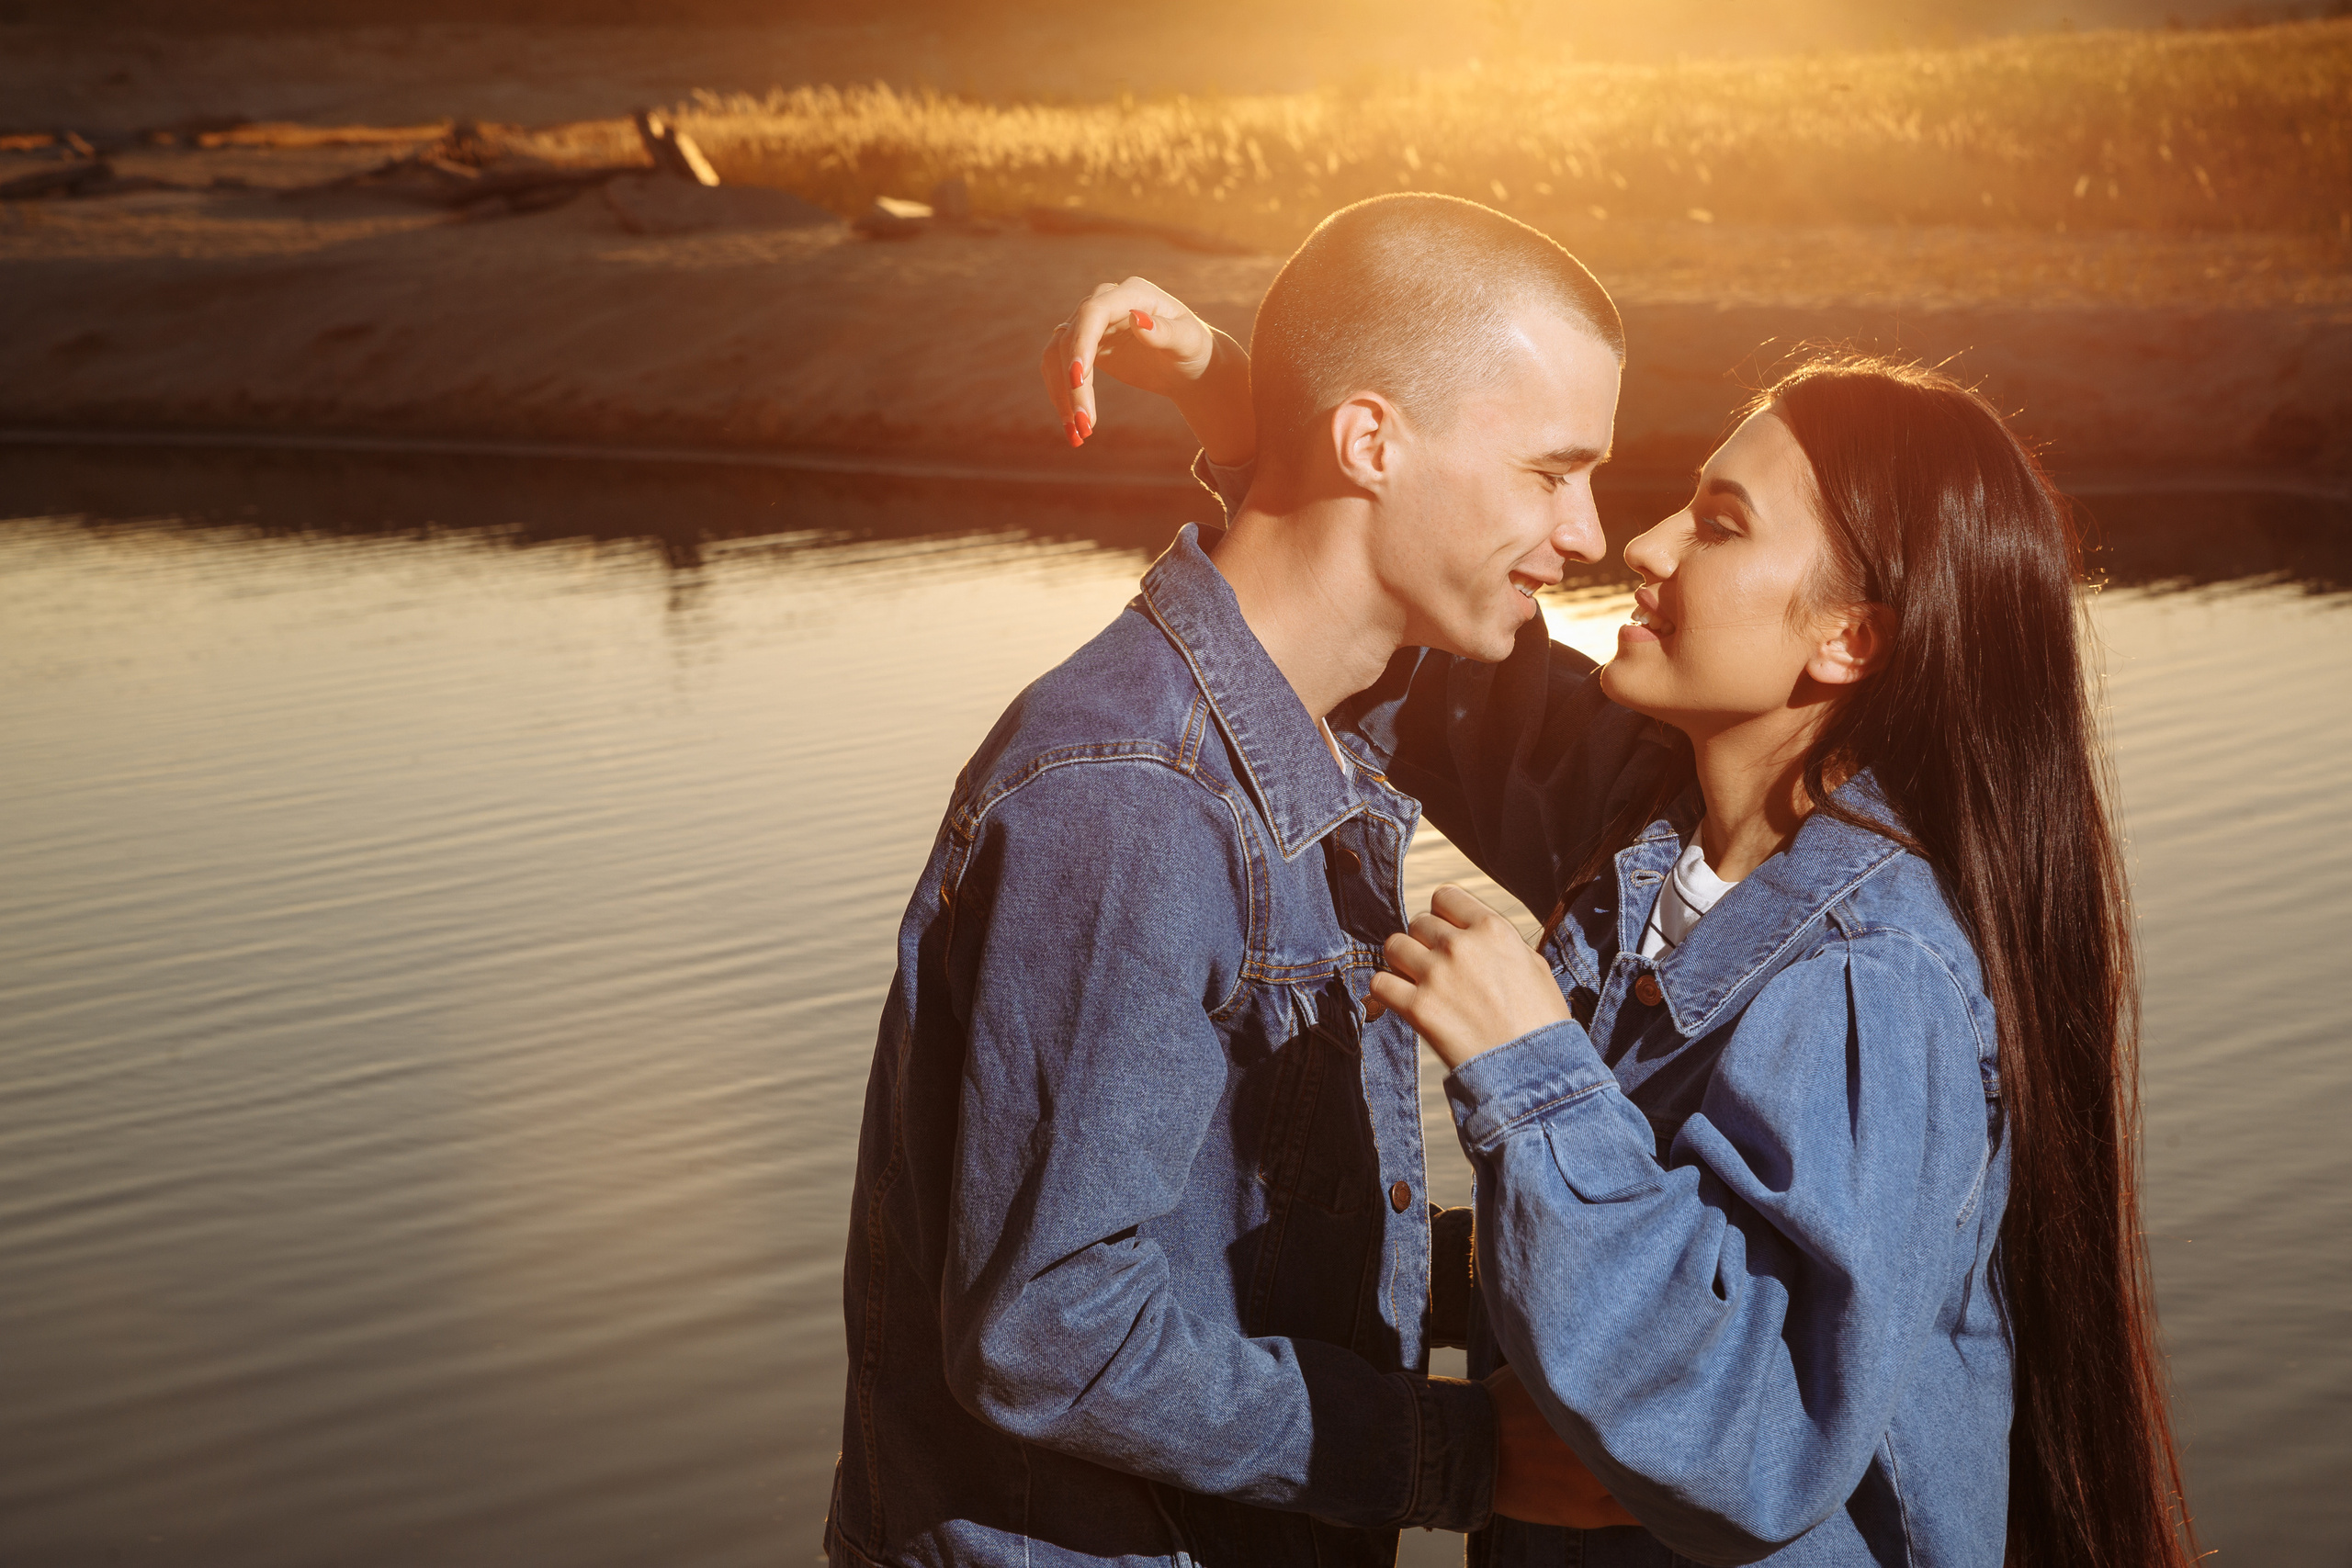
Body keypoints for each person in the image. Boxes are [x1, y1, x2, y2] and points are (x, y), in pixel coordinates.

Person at [1114, 305, 2196, 1562]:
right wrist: (1257, 428)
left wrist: (1528, 1067)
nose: (1642, 541)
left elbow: (1757, 1435)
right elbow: (1435, 651)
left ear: (1852, 638)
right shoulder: (1659, 818)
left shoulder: (1874, 984)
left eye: (1720, 527)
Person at [828, 193, 1639, 1568]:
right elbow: (1049, 1329)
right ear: (1374, 441)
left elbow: (1243, 1243)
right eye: (1552, 473)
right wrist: (1460, 1455)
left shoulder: (1313, 724)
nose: (1591, 531)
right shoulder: (1131, 797)